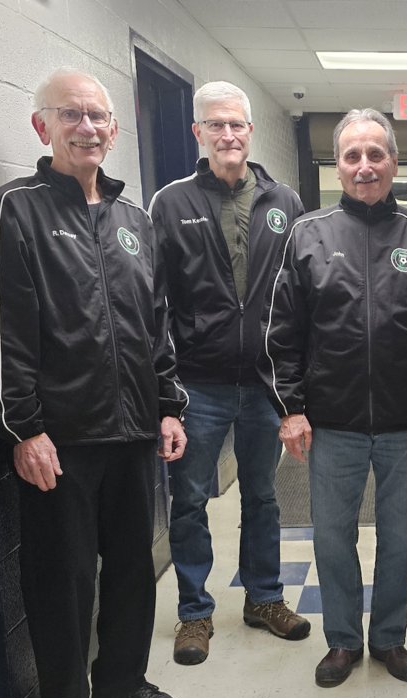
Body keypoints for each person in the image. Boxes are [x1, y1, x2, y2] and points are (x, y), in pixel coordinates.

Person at [0, 69, 188, 698]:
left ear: (115, 129)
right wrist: (24, 429)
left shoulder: (136, 222)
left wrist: (168, 406)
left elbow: (157, 325)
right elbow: (5, 329)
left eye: (98, 116)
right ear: (43, 128)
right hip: (59, 441)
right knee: (63, 583)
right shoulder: (18, 209)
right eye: (72, 116)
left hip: (133, 433)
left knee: (133, 569)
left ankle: (122, 683)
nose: (88, 128)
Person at [261, 108, 407, 687]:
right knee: (331, 535)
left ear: (394, 163)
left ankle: (390, 638)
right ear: (338, 166)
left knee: (401, 536)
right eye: (353, 156)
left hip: (406, 424)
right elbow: (282, 333)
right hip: (333, 423)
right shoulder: (309, 235)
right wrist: (291, 409)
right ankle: (343, 640)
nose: (365, 166)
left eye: (377, 155)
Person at [149, 81, 308, 665]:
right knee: (189, 499)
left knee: (263, 496)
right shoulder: (171, 204)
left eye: (236, 124)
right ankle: (195, 612)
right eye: (215, 125)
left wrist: (297, 387)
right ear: (199, 133)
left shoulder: (283, 202)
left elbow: (299, 298)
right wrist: (167, 393)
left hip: (267, 388)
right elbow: (153, 303)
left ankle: (264, 598)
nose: (228, 134)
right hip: (199, 386)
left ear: (249, 130)